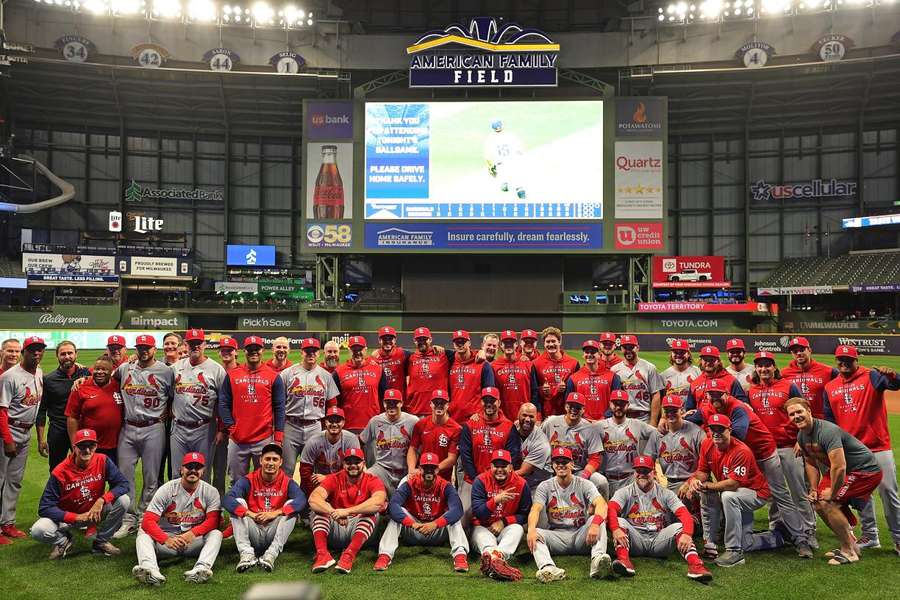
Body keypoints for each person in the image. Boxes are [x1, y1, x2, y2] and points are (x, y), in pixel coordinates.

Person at [686, 377, 811, 556]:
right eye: (711, 394)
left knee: (779, 494)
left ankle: (801, 538)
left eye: (718, 394)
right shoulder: (707, 407)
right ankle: (746, 535)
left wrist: (712, 438)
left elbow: (739, 433)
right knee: (737, 495)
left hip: (762, 453)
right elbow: (694, 417)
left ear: (727, 394)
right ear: (706, 395)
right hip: (742, 454)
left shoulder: (738, 408)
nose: (715, 398)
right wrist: (676, 418)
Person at [823, 344, 900, 554]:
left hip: (877, 446)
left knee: (888, 493)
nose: (844, 362)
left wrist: (892, 375)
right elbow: (830, 422)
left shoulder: (872, 376)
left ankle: (898, 538)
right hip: (852, 451)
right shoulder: (830, 387)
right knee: (861, 496)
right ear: (836, 360)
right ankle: (870, 535)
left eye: (848, 359)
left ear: (857, 360)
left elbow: (896, 384)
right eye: (840, 359)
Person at [789, 397, 883, 565]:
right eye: (792, 414)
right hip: (847, 471)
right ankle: (851, 544)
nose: (796, 416)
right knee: (818, 501)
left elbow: (839, 467)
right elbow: (811, 463)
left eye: (799, 411)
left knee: (828, 503)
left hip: (865, 471)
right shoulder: (802, 436)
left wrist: (833, 492)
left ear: (809, 411)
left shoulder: (827, 431)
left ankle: (849, 551)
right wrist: (813, 489)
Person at [684, 414, 783, 567]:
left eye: (720, 429)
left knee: (728, 496)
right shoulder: (707, 444)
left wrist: (706, 485)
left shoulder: (741, 450)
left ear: (729, 430)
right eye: (712, 429)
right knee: (747, 543)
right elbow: (702, 471)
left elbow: (733, 484)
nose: (716, 433)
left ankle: (734, 551)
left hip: (756, 493)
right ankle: (779, 537)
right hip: (739, 494)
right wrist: (694, 481)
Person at [747, 351, 816, 548]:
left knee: (797, 490)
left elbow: (804, 412)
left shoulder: (788, 386)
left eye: (767, 365)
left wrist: (800, 440)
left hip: (788, 447)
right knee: (773, 493)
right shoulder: (751, 390)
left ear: (774, 367)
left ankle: (809, 530)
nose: (763, 369)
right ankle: (776, 526)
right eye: (759, 365)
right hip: (765, 450)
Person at [607, 455, 712, 581]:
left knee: (680, 527)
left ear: (654, 472)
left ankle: (696, 566)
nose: (642, 474)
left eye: (646, 471)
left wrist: (687, 534)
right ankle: (624, 561)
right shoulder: (625, 492)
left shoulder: (665, 493)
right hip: (635, 540)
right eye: (638, 471)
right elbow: (611, 508)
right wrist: (615, 529)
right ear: (634, 473)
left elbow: (684, 514)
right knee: (620, 522)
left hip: (659, 540)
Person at [31, 429, 130, 559]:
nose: (87, 451)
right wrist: (75, 517)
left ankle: (101, 541)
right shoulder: (60, 471)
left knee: (124, 500)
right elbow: (45, 507)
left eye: (91, 446)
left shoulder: (103, 460)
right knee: (38, 530)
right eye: (82, 446)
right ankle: (63, 541)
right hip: (67, 519)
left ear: (96, 446)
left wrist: (102, 500)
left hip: (95, 513)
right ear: (74, 447)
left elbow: (123, 484)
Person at [111, 334, 174, 539]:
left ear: (155, 349)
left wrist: (169, 410)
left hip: (153, 428)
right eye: (140, 347)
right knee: (125, 475)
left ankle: (144, 518)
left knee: (151, 476)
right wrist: (85, 377)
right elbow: (104, 379)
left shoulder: (166, 371)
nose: (143, 350)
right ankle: (127, 519)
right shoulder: (124, 368)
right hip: (128, 428)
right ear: (135, 349)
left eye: (147, 347)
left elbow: (177, 396)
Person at [133, 452, 223, 585]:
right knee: (142, 535)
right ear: (181, 469)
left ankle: (201, 569)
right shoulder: (167, 490)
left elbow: (213, 521)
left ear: (203, 471)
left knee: (216, 534)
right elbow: (148, 522)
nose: (193, 470)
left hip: (193, 542)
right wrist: (166, 539)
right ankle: (150, 570)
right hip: (166, 542)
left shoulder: (210, 491)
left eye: (197, 467)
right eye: (189, 467)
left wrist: (192, 534)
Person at [526, 447, 612, 582]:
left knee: (598, 520)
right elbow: (535, 509)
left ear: (572, 464)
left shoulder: (584, 484)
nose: (561, 465)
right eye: (557, 462)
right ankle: (548, 568)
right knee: (536, 532)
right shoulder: (545, 486)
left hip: (581, 535)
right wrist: (531, 530)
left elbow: (602, 504)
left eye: (564, 461)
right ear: (552, 466)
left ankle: (598, 562)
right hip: (557, 536)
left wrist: (595, 523)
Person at [374, 451, 469, 573]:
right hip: (414, 529)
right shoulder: (409, 484)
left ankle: (460, 555)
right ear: (419, 469)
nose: (429, 471)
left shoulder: (445, 486)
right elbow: (393, 506)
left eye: (432, 468)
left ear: (437, 469)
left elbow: (458, 510)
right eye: (425, 468)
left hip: (436, 531)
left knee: (453, 518)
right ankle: (385, 555)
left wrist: (435, 524)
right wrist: (412, 523)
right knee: (397, 515)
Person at [225, 443, 306, 573]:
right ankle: (246, 554)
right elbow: (228, 499)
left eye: (275, 459)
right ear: (261, 460)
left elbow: (301, 500)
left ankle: (271, 555)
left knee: (290, 508)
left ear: (281, 462)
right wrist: (249, 513)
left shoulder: (287, 481)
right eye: (267, 459)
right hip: (253, 529)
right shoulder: (249, 479)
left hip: (273, 532)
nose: (270, 463)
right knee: (238, 502)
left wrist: (276, 513)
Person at [308, 447, 387, 574]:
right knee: (317, 511)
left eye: (357, 462)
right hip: (337, 525)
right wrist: (333, 512)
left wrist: (347, 511)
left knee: (372, 513)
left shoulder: (373, 480)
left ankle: (349, 555)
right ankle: (322, 555)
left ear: (364, 464)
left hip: (361, 533)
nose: (353, 466)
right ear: (343, 464)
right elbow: (313, 499)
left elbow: (378, 502)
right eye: (349, 462)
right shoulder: (334, 478)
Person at [219, 336, 286, 483]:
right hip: (237, 439)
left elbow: (280, 408)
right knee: (236, 482)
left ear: (263, 351)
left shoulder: (273, 376)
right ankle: (237, 506)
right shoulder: (232, 375)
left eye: (257, 349)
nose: (253, 352)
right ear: (244, 351)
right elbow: (223, 403)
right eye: (250, 349)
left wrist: (278, 437)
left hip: (263, 438)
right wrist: (231, 427)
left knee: (263, 481)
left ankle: (258, 507)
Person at [0, 336, 46, 542]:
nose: (37, 353)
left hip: (25, 433)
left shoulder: (39, 372)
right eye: (32, 350)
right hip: (8, 431)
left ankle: (7, 523)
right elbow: (1, 411)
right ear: (23, 352)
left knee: (15, 481)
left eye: (40, 350)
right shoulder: (9, 377)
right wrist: (7, 439)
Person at [170, 328, 226, 481]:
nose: (195, 347)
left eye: (198, 343)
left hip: (205, 429)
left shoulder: (217, 370)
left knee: (203, 474)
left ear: (204, 345)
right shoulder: (175, 368)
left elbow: (224, 402)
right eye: (191, 343)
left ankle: (201, 505)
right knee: (177, 474)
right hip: (179, 429)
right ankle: (178, 505)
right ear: (186, 345)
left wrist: (221, 429)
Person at [279, 337, 340, 478]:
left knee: (316, 470)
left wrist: (327, 428)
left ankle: (312, 500)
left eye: (314, 351)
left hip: (315, 427)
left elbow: (332, 405)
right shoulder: (287, 374)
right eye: (308, 351)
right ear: (302, 352)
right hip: (291, 426)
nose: (311, 354)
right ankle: (286, 499)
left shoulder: (326, 376)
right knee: (286, 470)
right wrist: (279, 430)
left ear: (318, 353)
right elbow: (278, 405)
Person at [459, 387, 521, 518]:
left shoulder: (509, 426)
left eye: (492, 400)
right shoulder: (470, 424)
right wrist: (478, 480)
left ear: (499, 403)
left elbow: (513, 457)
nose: (488, 404)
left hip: (500, 480)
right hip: (472, 479)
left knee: (498, 516)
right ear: (481, 402)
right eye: (485, 400)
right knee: (462, 516)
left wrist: (497, 480)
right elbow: (465, 455)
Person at [471, 449, 532, 581]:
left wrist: (503, 521)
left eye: (503, 466)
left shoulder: (521, 484)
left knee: (518, 528)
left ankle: (494, 559)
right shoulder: (480, 481)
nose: (500, 469)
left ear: (511, 467)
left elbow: (525, 514)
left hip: (506, 527)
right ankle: (497, 561)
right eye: (496, 466)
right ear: (491, 467)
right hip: (483, 526)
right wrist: (495, 500)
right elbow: (479, 513)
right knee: (485, 540)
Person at [645, 395, 705, 518]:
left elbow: (706, 465)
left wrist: (690, 482)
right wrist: (654, 479)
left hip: (694, 481)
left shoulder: (696, 432)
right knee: (663, 519)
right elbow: (647, 461)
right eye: (667, 411)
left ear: (682, 410)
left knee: (707, 497)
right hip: (671, 484)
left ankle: (710, 528)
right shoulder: (657, 434)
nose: (670, 414)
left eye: (674, 410)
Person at [541, 392, 608, 497]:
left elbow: (595, 458)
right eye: (571, 406)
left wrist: (584, 475)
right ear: (566, 407)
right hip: (552, 470)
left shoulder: (590, 428)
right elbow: (538, 442)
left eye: (577, 407)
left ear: (583, 410)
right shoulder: (551, 422)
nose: (573, 409)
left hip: (578, 471)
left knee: (601, 482)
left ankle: (602, 512)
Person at [37, 341, 91, 470]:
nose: (67, 356)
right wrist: (41, 439)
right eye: (63, 354)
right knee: (57, 469)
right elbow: (41, 411)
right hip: (58, 430)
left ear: (76, 355)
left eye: (70, 353)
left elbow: (109, 369)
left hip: (82, 429)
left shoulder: (87, 374)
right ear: (57, 356)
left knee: (84, 468)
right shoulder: (49, 380)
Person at [596, 390, 655, 497]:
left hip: (630, 480)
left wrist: (649, 456)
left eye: (622, 404)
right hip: (607, 480)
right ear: (610, 404)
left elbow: (658, 434)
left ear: (628, 405)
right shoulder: (599, 426)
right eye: (616, 404)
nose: (619, 407)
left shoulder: (637, 425)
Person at [360, 389, 418, 497]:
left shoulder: (413, 421)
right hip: (382, 469)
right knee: (365, 477)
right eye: (388, 403)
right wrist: (362, 463)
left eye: (394, 402)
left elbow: (421, 445)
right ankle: (371, 512)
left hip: (405, 469)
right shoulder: (375, 421)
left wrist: (416, 468)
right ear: (383, 404)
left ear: (401, 403)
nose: (391, 406)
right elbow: (361, 441)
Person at [65, 356, 122, 463]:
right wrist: (74, 445)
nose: (100, 372)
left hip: (117, 446)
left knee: (116, 478)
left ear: (111, 371)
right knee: (92, 479)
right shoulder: (80, 387)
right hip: (89, 446)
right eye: (97, 369)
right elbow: (72, 418)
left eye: (104, 369)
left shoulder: (119, 385)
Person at [298, 407, 361, 497]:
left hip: (343, 483)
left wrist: (328, 479)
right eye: (331, 421)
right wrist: (313, 493)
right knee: (304, 502)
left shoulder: (351, 440)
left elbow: (355, 469)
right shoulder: (314, 441)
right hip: (319, 484)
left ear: (343, 423)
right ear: (325, 422)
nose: (334, 424)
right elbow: (305, 471)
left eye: (338, 421)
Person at [333, 336, 386, 434]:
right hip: (348, 426)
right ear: (349, 350)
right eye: (354, 349)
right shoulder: (339, 372)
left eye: (360, 349)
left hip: (373, 425)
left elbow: (384, 397)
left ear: (365, 350)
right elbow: (335, 402)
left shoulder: (378, 369)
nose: (357, 352)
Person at [610, 335, 665, 425]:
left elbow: (656, 395)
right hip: (623, 417)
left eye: (631, 347)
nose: (628, 350)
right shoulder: (614, 370)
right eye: (625, 347)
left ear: (637, 348)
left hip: (644, 417)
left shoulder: (649, 368)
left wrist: (653, 421)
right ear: (621, 349)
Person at [408, 389, 461, 482]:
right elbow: (412, 448)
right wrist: (411, 470)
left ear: (448, 405)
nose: (439, 406)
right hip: (421, 474)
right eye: (436, 402)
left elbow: (452, 459)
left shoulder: (456, 429)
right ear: (431, 404)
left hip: (443, 477)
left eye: (442, 403)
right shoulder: (420, 424)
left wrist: (431, 470)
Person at [781, 336, 837, 419]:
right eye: (795, 351)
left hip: (821, 421)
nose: (799, 353)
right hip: (797, 421)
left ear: (809, 350)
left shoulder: (828, 371)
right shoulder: (784, 374)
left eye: (802, 350)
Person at [566, 339, 621, 421]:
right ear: (583, 355)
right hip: (582, 423)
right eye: (587, 352)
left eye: (593, 352)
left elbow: (617, 401)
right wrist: (585, 418)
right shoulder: (573, 378)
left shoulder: (612, 376)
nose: (589, 354)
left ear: (599, 354)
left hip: (606, 422)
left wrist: (605, 417)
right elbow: (569, 403)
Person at [448, 329, 495, 424]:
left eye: (463, 342)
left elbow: (490, 395)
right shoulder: (449, 361)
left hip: (475, 419)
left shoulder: (482, 364)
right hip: (452, 419)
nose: (460, 344)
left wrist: (481, 413)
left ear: (469, 343)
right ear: (453, 344)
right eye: (457, 342)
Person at [532, 327, 579, 417]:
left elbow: (577, 390)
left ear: (559, 342)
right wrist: (542, 389)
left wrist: (566, 388)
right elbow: (533, 391)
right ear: (544, 344)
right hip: (545, 413)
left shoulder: (573, 363)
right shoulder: (536, 363)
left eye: (553, 341)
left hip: (567, 413)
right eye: (548, 341)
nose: (551, 344)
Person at [213, 337, 239, 494]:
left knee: (234, 470)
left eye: (229, 350)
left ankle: (235, 504)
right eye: (223, 350)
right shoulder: (215, 371)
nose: (226, 353)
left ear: (236, 352)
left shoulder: (242, 372)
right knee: (218, 468)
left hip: (236, 428)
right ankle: (218, 506)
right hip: (216, 427)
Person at [492, 329, 538, 419]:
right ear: (501, 345)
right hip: (503, 417)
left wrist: (537, 415)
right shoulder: (494, 366)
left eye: (511, 343)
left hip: (525, 416)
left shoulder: (527, 364)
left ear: (516, 345)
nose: (508, 345)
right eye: (506, 343)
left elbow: (535, 392)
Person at [406, 327, 451, 417]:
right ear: (414, 341)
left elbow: (464, 354)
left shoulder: (443, 355)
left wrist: (481, 351)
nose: (421, 341)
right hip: (415, 411)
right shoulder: (410, 358)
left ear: (430, 340)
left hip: (438, 410)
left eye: (424, 339)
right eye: (419, 339)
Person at [514, 402, 552, 491]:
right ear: (518, 415)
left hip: (537, 485)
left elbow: (523, 472)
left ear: (536, 419)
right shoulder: (514, 426)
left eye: (531, 416)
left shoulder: (542, 444)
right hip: (518, 481)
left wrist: (498, 476)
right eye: (524, 415)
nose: (527, 419)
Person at [484, 118, 527, 199]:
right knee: (519, 186)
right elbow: (520, 151)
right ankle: (522, 197)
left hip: (500, 165)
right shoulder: (510, 136)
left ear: (493, 128)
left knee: (504, 186)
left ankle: (506, 184)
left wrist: (490, 167)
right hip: (513, 162)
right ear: (502, 126)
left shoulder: (490, 139)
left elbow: (488, 156)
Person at [371, 326, 410, 395]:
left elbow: (420, 355)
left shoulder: (402, 353)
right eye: (384, 339)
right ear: (379, 340)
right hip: (383, 399)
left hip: (400, 399)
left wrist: (434, 350)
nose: (387, 341)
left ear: (395, 340)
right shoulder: (374, 358)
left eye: (390, 339)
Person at [660, 339, 701, 406]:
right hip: (671, 414)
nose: (678, 355)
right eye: (676, 352)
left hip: (691, 414)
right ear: (671, 354)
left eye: (682, 352)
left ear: (688, 354)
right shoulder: (663, 376)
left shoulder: (698, 373)